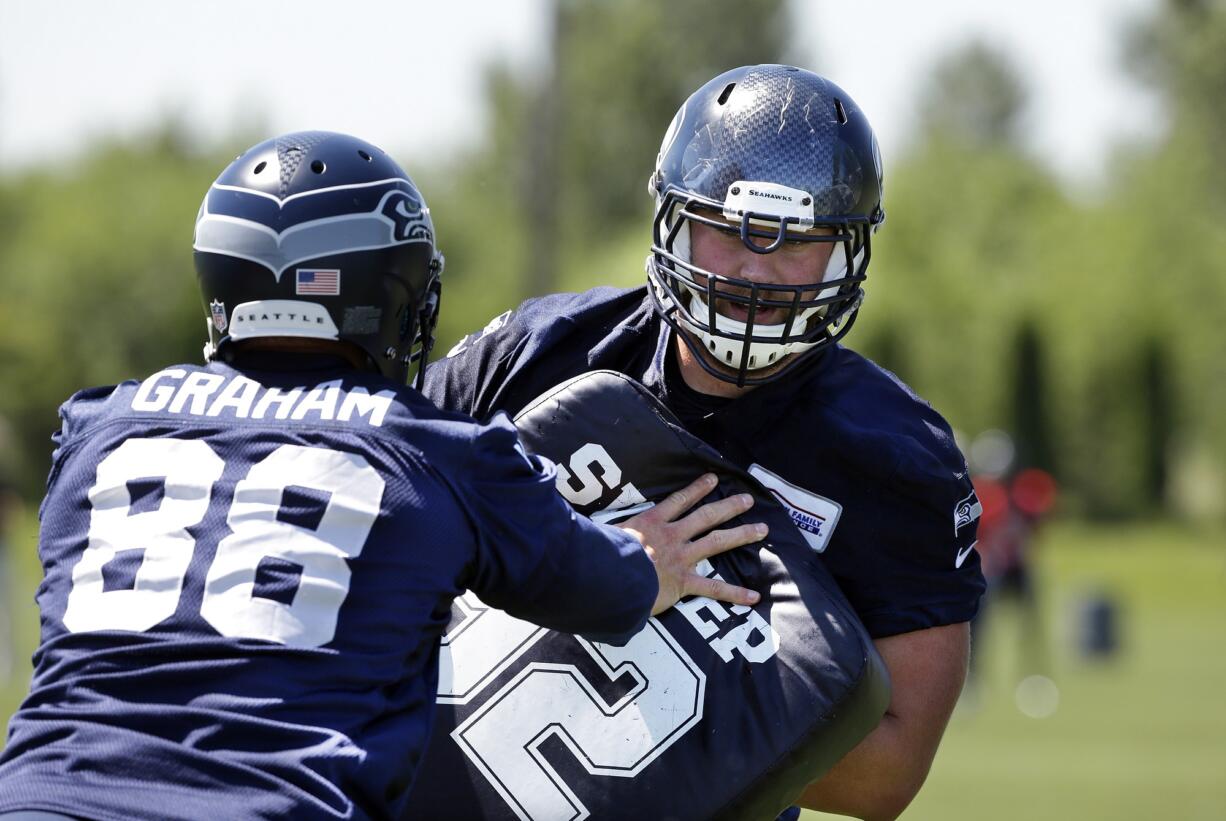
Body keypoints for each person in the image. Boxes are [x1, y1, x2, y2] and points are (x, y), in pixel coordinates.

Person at [0, 131, 764, 821]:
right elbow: (606, 587)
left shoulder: (95, 428)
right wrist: (648, 558)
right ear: (391, 293)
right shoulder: (438, 451)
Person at [423, 65, 986, 820]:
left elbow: (891, 770)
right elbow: (369, 527)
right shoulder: (540, 351)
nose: (754, 272)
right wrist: (595, 574)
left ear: (846, 254)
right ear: (674, 221)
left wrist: (678, 661)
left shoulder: (897, 457)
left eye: (797, 243)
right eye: (727, 231)